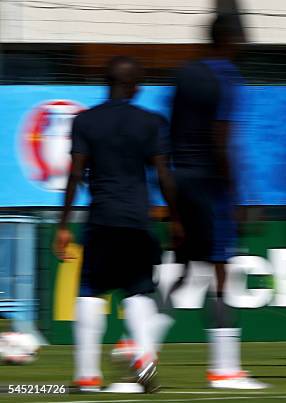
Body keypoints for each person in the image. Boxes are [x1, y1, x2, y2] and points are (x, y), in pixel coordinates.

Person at [53, 56, 183, 392]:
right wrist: (176, 219)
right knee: (138, 290)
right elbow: (164, 176)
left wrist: (63, 224)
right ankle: (142, 358)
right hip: (137, 222)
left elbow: (74, 174)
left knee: (91, 292)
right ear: (135, 86)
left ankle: (87, 375)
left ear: (106, 82)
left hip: (102, 220)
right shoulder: (151, 122)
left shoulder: (86, 122)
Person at [169, 14, 267, 390]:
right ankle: (225, 368)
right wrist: (235, 192)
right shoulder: (225, 77)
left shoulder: (184, 74)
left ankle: (138, 346)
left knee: (185, 268)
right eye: (241, 37)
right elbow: (221, 140)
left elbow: (173, 129)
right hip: (211, 184)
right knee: (221, 272)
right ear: (230, 39)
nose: (244, 44)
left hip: (182, 179)